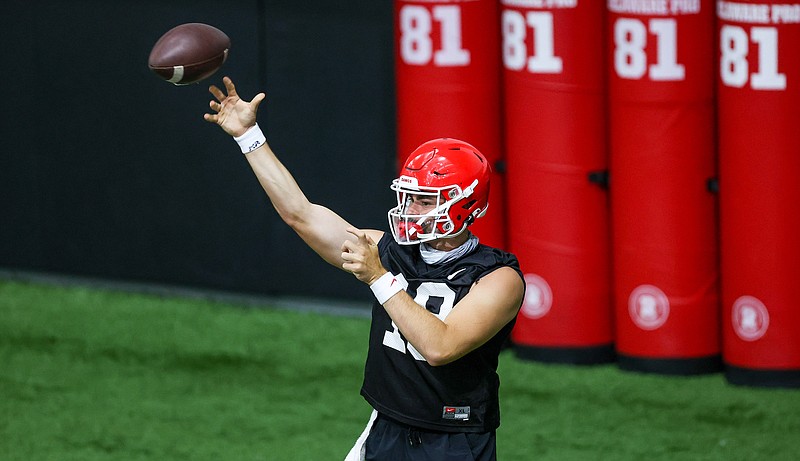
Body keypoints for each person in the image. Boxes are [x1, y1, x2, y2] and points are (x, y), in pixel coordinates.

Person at [204, 77, 525, 461]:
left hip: (453, 440)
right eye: (409, 197)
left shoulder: (498, 278)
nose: (410, 209)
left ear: (465, 205)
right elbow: (301, 215)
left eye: (424, 200)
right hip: (386, 426)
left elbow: (441, 347)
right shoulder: (390, 250)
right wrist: (248, 137)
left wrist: (379, 278)